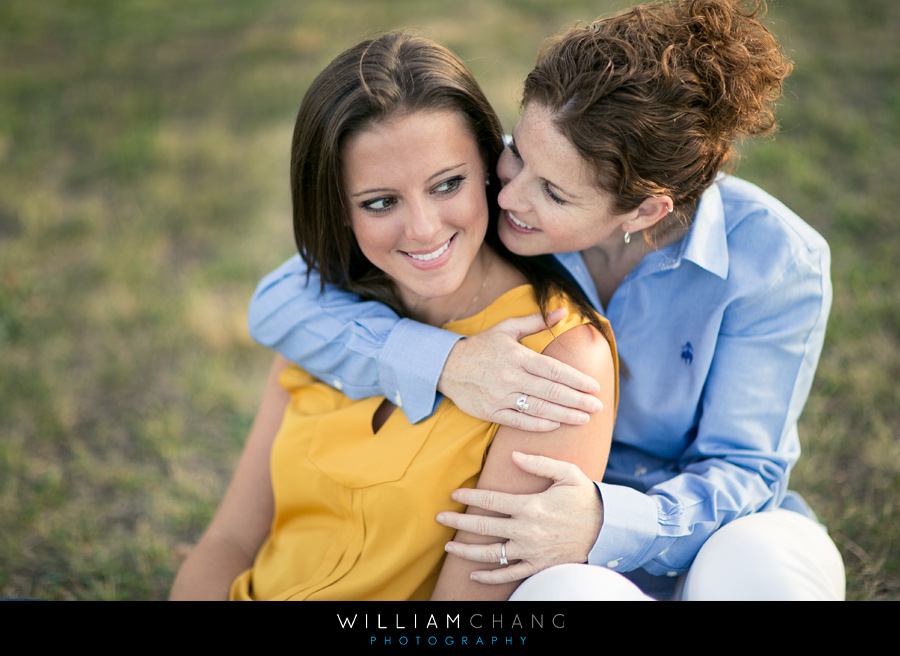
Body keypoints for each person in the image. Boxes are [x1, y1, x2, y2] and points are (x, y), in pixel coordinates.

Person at [247, 0, 845, 600]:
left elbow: (746, 468)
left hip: (700, 533)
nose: (508, 198)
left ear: (643, 211)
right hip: (553, 548)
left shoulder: (776, 261)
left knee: (755, 567)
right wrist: (443, 362)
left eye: (553, 193)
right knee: (563, 594)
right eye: (518, 157)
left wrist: (606, 522)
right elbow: (281, 303)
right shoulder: (485, 189)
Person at [169, 33, 617, 601]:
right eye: (381, 202)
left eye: (447, 184)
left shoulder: (560, 359)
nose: (425, 230)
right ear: (338, 207)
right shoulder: (326, 315)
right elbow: (229, 541)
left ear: (490, 169)